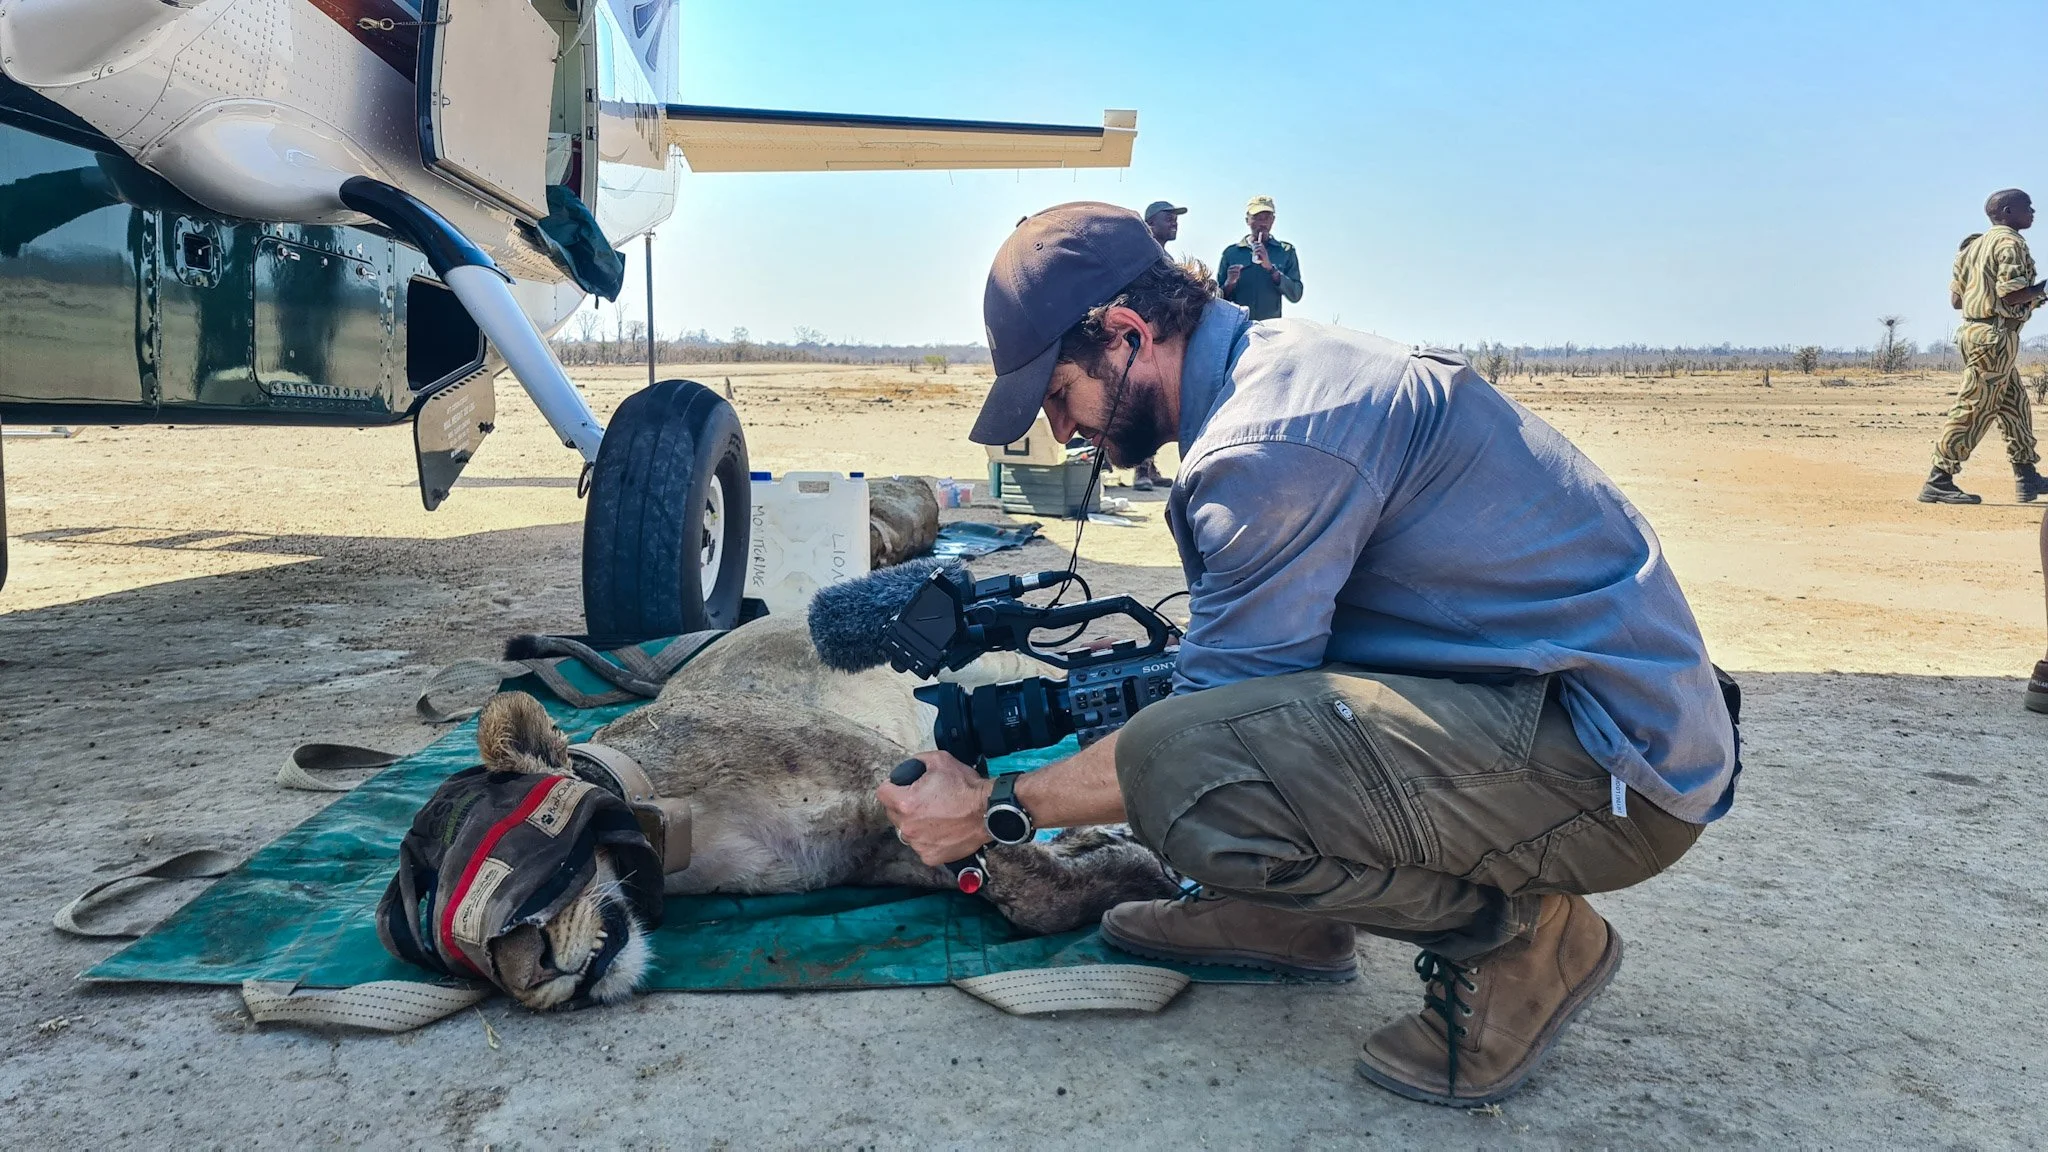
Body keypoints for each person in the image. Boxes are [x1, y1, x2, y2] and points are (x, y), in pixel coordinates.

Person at [880, 202, 1739, 1108]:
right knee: (1200, 724)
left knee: (1185, 768)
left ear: (1127, 336)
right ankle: (1280, 913)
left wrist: (997, 808)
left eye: (1059, 395)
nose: (1062, 434)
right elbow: (1249, 674)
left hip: (1613, 775)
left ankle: (1519, 938)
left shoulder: (1268, 440)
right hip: (1562, 716)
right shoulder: (1272, 377)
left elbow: (1201, 736)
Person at [1921, 190, 2048, 504]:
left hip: (1974, 332)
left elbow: (1956, 300)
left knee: (2014, 405)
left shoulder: (1972, 246)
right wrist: (2041, 291)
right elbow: (2011, 294)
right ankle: (1939, 478)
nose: (2033, 211)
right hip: (1995, 338)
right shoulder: (2011, 243)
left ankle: (2026, 477)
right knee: (1974, 406)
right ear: (2007, 212)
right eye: (2026, 207)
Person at [1129, 199, 1191, 491]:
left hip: (1160, 342)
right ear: (1150, 224)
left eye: (1176, 218)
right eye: (1169, 217)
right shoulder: (1143, 257)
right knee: (1141, 403)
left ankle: (1148, 466)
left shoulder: (1164, 259)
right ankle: (1140, 470)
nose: (1174, 222)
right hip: (1142, 344)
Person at [1218, 194, 1302, 321]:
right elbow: (1217, 300)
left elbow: (1296, 294)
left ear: (1273, 220)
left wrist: (1271, 269)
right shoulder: (1231, 253)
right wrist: (1229, 283)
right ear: (1247, 220)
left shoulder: (1285, 251)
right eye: (1257, 217)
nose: (1263, 223)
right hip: (1238, 328)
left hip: (1269, 331)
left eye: (1267, 217)